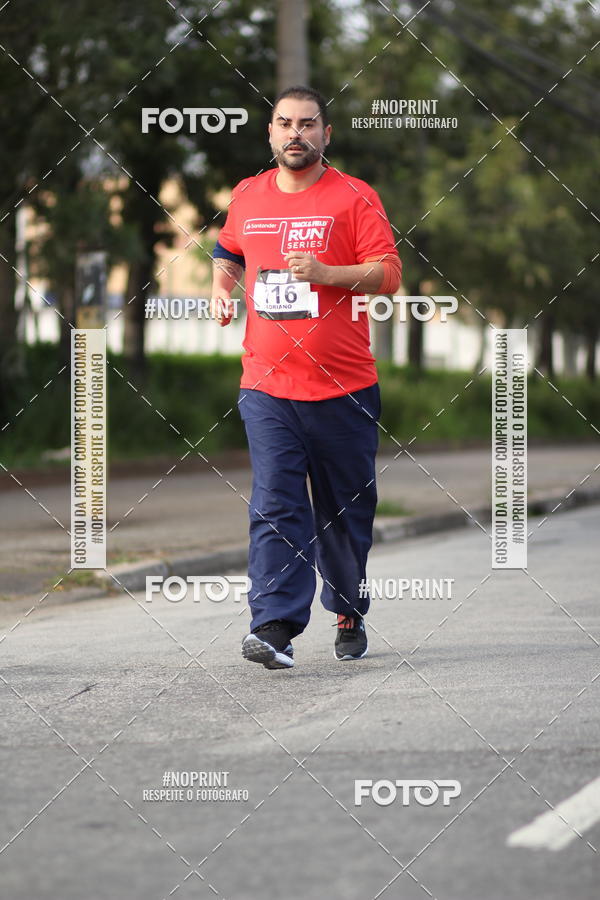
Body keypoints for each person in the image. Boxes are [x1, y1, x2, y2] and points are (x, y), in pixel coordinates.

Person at [210, 85, 402, 669]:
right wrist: (220, 287)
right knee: (276, 502)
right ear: (270, 133)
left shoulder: (354, 197)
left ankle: (347, 606)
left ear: (326, 134)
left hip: (343, 386)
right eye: (284, 123)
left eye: (308, 124)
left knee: (344, 512)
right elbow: (228, 252)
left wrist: (325, 271)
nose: (295, 133)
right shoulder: (247, 195)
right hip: (267, 384)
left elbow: (388, 273)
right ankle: (273, 626)